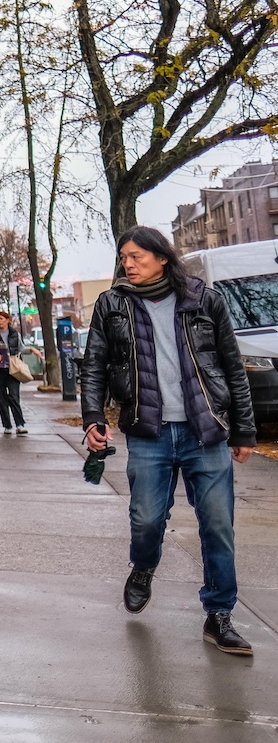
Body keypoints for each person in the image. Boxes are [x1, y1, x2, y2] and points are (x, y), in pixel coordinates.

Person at [80, 225, 257, 656]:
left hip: (205, 431)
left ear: (162, 257)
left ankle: (219, 616)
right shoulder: (112, 304)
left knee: (217, 527)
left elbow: (232, 369)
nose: (129, 263)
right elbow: (95, 365)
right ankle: (143, 568)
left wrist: (244, 429)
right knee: (145, 519)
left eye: (137, 256)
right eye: (124, 257)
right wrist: (92, 417)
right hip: (148, 431)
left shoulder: (204, 300)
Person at [0, 311, 28, 435]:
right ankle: (7, 425)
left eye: (2, 318)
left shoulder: (15, 334)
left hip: (12, 369)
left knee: (14, 397)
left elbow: (22, 348)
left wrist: (32, 350)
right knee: (1, 399)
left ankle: (20, 424)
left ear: (8, 320)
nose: (0, 321)